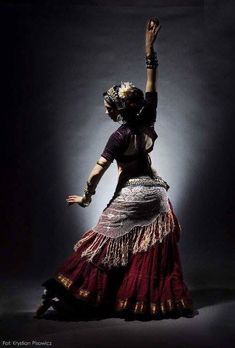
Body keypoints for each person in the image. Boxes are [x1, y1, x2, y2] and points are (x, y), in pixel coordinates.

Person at [35, 18, 194, 319]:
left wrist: (86, 197)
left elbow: (98, 171)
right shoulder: (149, 118)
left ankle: (65, 296)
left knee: (101, 244)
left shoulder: (119, 136)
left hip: (134, 195)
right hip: (158, 197)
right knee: (143, 248)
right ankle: (137, 298)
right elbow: (152, 83)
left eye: (110, 106)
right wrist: (149, 51)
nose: (107, 109)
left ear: (120, 110)